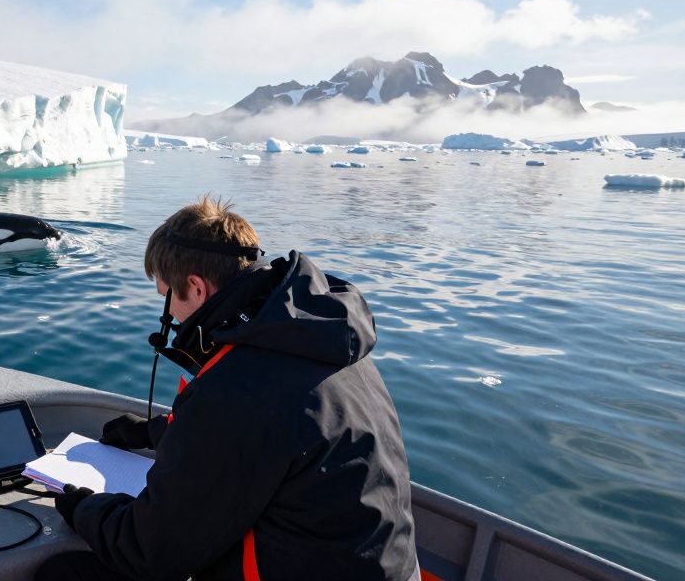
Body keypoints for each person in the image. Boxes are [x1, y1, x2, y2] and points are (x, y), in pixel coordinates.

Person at [34, 197, 418, 581]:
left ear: (196, 288)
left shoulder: (237, 384)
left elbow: (149, 552)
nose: (168, 316)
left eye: (165, 296)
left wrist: (85, 508)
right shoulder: (324, 340)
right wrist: (158, 431)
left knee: (62, 573)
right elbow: (272, 436)